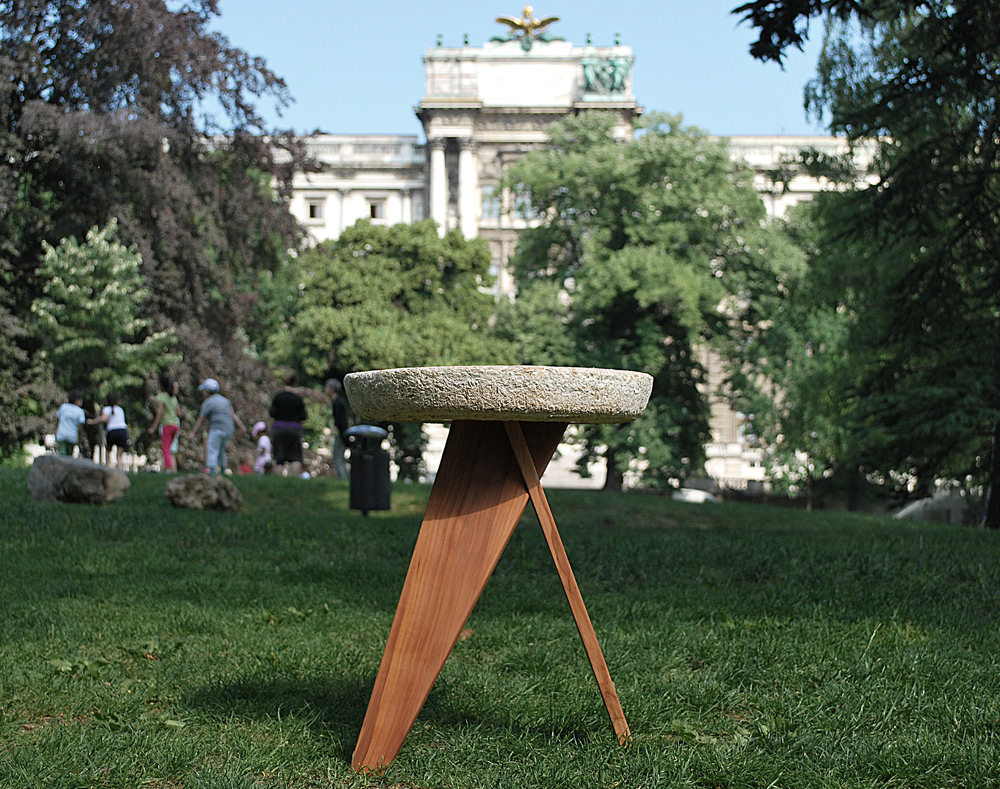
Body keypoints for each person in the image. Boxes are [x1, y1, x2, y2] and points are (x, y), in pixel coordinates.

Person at [188, 378, 246, 474]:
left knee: (212, 448)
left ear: (207, 391)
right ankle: (223, 470)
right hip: (228, 429)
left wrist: (193, 432)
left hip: (217, 429)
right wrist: (241, 426)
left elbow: (201, 419)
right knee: (221, 449)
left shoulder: (208, 402)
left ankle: (212, 471)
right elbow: (232, 414)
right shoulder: (225, 401)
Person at [268, 372, 307, 476]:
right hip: (294, 428)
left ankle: (279, 479)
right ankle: (293, 480)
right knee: (296, 457)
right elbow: (304, 416)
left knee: (279, 458)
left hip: (279, 428)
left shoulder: (278, 397)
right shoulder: (298, 399)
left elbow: (272, 413)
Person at [148, 372, 182, 472]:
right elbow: (179, 413)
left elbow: (160, 413)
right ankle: (168, 469)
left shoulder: (161, 397)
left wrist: (154, 427)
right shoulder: (173, 398)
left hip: (167, 425)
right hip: (175, 425)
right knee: (170, 449)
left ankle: (168, 469)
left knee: (165, 448)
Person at [89, 391, 130, 470]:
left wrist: (92, 421)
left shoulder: (106, 409)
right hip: (122, 431)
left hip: (112, 432)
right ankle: (120, 469)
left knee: (108, 451)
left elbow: (104, 418)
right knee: (119, 455)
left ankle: (108, 468)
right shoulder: (120, 409)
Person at [325, 378, 349, 479]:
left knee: (338, 460)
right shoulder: (338, 401)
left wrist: (329, 435)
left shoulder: (337, 402)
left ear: (332, 389)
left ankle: (344, 480)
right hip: (343, 433)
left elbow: (338, 421)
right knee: (339, 459)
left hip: (341, 434)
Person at [55, 389, 87, 457]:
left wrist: (56, 430)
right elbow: (80, 427)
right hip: (72, 436)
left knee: (61, 455)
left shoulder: (63, 407)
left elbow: (57, 419)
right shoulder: (80, 411)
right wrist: (80, 439)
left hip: (61, 434)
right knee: (69, 456)